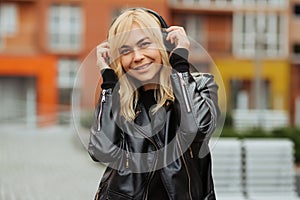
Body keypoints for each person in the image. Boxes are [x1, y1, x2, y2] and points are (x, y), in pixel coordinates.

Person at [88, 7, 220, 200]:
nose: (137, 56)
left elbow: (196, 129)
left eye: (144, 44)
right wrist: (109, 81)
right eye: (125, 51)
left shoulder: (200, 85)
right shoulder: (120, 100)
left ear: (164, 44)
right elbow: (101, 151)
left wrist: (180, 64)